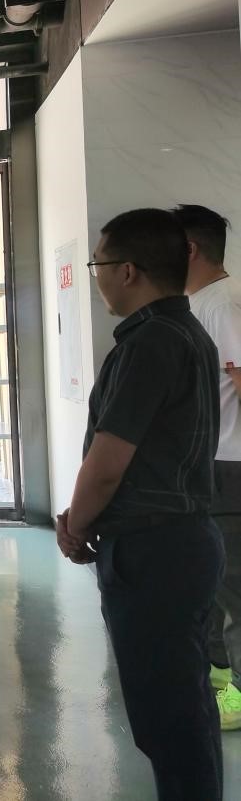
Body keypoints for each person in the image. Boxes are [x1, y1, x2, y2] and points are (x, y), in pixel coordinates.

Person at [56, 208, 224, 799]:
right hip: (179, 541)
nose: (97, 276)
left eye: (98, 264)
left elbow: (108, 463)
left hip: (154, 550)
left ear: (127, 270)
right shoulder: (185, 333)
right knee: (184, 706)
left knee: (168, 719)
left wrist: (75, 526)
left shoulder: (150, 342)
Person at [174, 204, 241, 732]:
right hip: (206, 465)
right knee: (212, 580)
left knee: (234, 587)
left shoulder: (224, 305)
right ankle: (220, 674)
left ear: (190, 249)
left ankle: (238, 691)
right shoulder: (198, 304)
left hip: (231, 467)